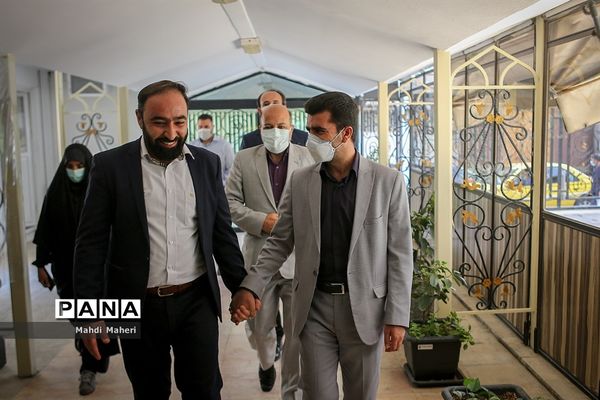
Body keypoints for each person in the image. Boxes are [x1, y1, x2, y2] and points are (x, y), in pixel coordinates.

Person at [73, 80, 251, 400]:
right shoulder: (110, 166)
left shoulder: (206, 164)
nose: (171, 133)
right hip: (136, 303)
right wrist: (87, 314)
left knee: (205, 391)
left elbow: (221, 232)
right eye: (159, 122)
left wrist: (241, 286)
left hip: (196, 300)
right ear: (140, 118)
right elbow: (90, 245)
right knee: (149, 391)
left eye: (179, 122)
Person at [231, 91, 413, 400]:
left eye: (319, 131)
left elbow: (400, 254)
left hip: (363, 309)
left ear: (346, 133)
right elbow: (279, 242)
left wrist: (397, 316)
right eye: (309, 130)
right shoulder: (301, 181)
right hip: (314, 306)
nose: (310, 139)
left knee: (361, 394)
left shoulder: (388, 181)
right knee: (316, 394)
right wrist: (252, 286)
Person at [226, 104, 313, 398]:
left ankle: (291, 387)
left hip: (297, 260)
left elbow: (318, 203)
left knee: (296, 330)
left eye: (281, 126)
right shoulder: (244, 159)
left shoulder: (309, 157)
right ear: (259, 128)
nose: (275, 132)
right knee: (261, 328)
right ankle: (266, 364)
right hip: (259, 259)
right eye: (268, 126)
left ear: (292, 128)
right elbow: (230, 203)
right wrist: (261, 220)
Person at [33, 143, 114, 396]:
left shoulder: (100, 192)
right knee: (79, 319)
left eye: (80, 166)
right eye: (71, 166)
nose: (75, 171)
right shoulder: (56, 193)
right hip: (65, 269)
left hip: (98, 269)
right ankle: (92, 356)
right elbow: (45, 229)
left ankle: (89, 368)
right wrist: (40, 264)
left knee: (97, 316)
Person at [239, 89, 308, 150]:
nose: (271, 106)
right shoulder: (248, 140)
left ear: (284, 107)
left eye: (276, 103)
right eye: (266, 104)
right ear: (259, 111)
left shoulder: (303, 137)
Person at [190, 113, 234, 185]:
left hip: (220, 187)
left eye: (206, 127)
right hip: (197, 188)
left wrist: (222, 184)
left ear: (212, 127)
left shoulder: (224, 145)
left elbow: (231, 168)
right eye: (200, 127)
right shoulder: (192, 146)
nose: (203, 129)